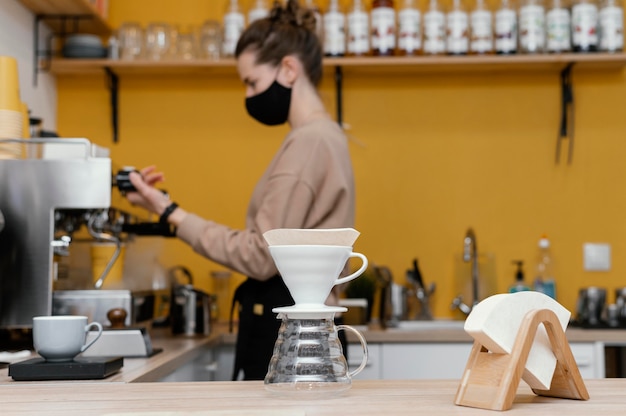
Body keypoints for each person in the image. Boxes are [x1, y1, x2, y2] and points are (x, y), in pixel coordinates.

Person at [126, 0, 355, 381]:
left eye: (252, 82)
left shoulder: (309, 142)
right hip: (308, 329)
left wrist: (170, 212)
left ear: (288, 69)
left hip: (294, 332)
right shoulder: (323, 137)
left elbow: (260, 255)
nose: (249, 95)